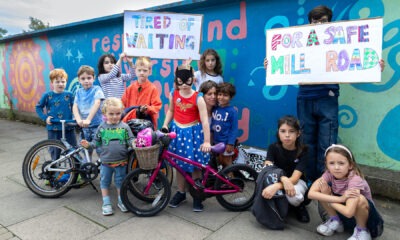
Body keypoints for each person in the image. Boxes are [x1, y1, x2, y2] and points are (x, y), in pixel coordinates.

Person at [264, 5, 385, 184]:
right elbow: (285, 60)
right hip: (305, 96)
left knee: (327, 142)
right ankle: (309, 179)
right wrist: (272, 65)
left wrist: (374, 64)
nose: (319, 24)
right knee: (306, 141)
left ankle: (325, 181)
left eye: (323, 21)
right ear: (310, 23)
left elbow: (356, 60)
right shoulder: (301, 41)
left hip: (327, 97)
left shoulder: (338, 41)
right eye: (315, 21)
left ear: (329, 22)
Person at [162, 65, 211, 212]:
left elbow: (205, 121)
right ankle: (181, 192)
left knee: (195, 166)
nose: (183, 85)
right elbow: (171, 110)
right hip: (177, 133)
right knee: (179, 166)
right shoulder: (174, 94)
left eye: (187, 81)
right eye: (180, 82)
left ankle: (197, 195)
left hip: (194, 135)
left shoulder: (198, 98)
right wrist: (165, 124)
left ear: (193, 80)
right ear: (176, 81)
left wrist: (207, 141)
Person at [308, 144, 383, 240]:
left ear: (350, 165)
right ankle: (335, 221)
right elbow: (311, 193)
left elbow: (349, 212)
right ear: (326, 164)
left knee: (359, 199)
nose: (336, 167)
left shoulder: (355, 179)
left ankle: (362, 231)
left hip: (367, 220)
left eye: (341, 163)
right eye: (331, 163)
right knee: (322, 190)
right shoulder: (329, 174)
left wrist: (329, 198)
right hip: (343, 213)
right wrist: (339, 198)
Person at [81, 97, 134, 216]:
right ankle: (106, 203)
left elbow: (130, 140)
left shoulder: (125, 127)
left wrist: (134, 143)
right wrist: (88, 145)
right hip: (105, 162)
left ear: (121, 112)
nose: (115, 116)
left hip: (122, 162)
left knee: (120, 182)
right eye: (111, 114)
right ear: (104, 113)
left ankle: (122, 200)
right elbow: (95, 143)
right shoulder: (102, 127)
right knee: (105, 182)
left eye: (118, 113)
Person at [261, 116, 310, 223]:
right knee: (265, 190)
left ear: (298, 133)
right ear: (278, 133)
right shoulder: (273, 148)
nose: (287, 135)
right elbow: (268, 168)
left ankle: (299, 206)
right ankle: (280, 204)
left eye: (291, 131)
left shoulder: (304, 151)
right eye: (283, 131)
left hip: (296, 182)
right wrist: (282, 179)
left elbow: (295, 178)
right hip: (277, 179)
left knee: (295, 197)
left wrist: (277, 186)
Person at [35, 68, 77, 159]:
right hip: (54, 128)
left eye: (63, 81)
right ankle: (54, 171)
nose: (60, 84)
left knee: (74, 151)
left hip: (68, 127)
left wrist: (76, 117)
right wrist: (45, 118)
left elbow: (75, 107)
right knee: (54, 152)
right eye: (57, 82)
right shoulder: (47, 95)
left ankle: (75, 171)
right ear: (52, 82)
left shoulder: (70, 95)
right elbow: (38, 107)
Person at [72, 65, 105, 162]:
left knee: (100, 149)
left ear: (93, 78)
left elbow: (97, 103)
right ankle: (87, 169)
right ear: (79, 80)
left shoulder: (97, 89)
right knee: (85, 149)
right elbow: (75, 106)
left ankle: (103, 168)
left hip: (97, 126)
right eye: (83, 78)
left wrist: (89, 119)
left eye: (89, 78)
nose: (86, 80)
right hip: (84, 127)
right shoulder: (78, 91)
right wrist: (78, 119)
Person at [121, 56, 162, 129]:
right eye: (139, 70)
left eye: (145, 70)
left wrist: (147, 108)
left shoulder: (152, 88)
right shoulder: (130, 88)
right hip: (130, 123)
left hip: (145, 124)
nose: (142, 73)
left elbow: (157, 106)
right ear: (135, 71)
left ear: (149, 72)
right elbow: (122, 105)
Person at [210, 82, 238, 168]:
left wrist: (230, 143)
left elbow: (234, 129)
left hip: (226, 143)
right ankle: (220, 179)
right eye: (220, 94)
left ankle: (230, 180)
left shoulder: (232, 111)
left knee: (226, 162)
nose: (221, 97)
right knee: (218, 161)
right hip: (215, 142)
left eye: (225, 95)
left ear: (231, 97)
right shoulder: (214, 108)